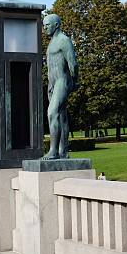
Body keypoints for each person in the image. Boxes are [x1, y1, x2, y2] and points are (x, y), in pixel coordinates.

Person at [41, 14, 78, 160]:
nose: (44, 29)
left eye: (47, 25)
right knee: (62, 117)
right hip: (53, 83)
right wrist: (50, 84)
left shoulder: (64, 40)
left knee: (52, 113)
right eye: (43, 26)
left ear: (56, 25)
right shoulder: (52, 42)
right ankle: (63, 152)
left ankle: (53, 151)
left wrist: (74, 81)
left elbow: (73, 64)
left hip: (62, 81)